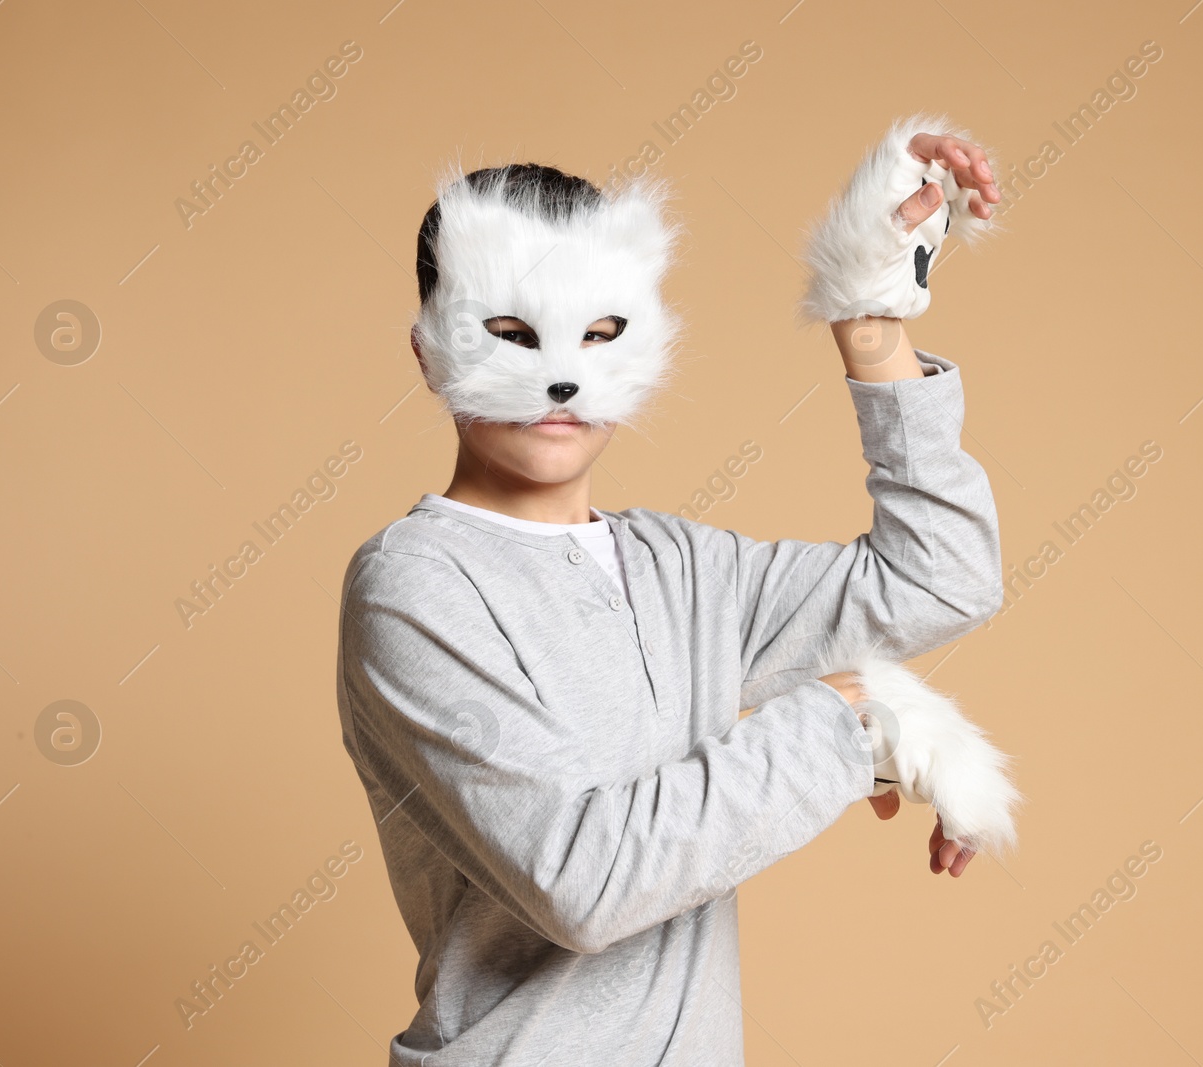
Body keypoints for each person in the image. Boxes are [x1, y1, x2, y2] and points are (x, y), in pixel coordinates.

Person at [334, 115, 1006, 1065]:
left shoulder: (682, 569)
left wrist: (872, 321)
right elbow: (587, 882)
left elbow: (941, 576)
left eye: (600, 331)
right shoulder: (414, 587)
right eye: (512, 334)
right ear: (428, 347)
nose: (561, 375)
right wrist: (848, 723)